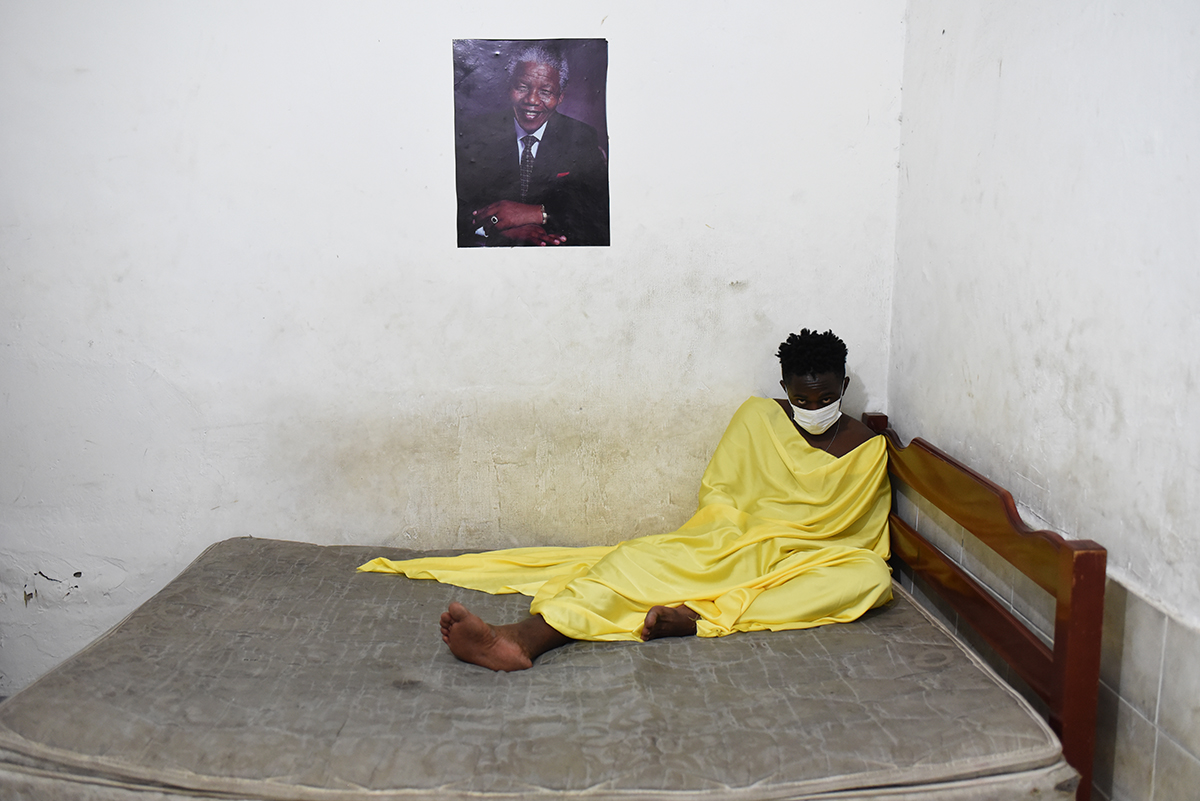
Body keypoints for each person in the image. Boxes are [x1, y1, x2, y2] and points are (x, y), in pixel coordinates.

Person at [359, 330, 892, 670]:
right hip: (730, 541)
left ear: (844, 384)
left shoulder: (867, 450)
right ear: (784, 385)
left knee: (866, 580)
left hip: (806, 560)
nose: (814, 407)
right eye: (802, 398)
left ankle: (700, 619)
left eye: (826, 398)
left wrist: (789, 548)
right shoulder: (759, 417)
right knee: (635, 561)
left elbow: (860, 537)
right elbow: (721, 493)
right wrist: (738, 536)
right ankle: (520, 638)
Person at [455, 44, 610, 247]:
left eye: (545, 91)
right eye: (522, 87)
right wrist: (500, 232)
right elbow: (459, 212)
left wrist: (536, 213)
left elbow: (595, 210)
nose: (532, 100)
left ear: (560, 96)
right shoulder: (474, 133)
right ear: (509, 87)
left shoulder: (581, 137)